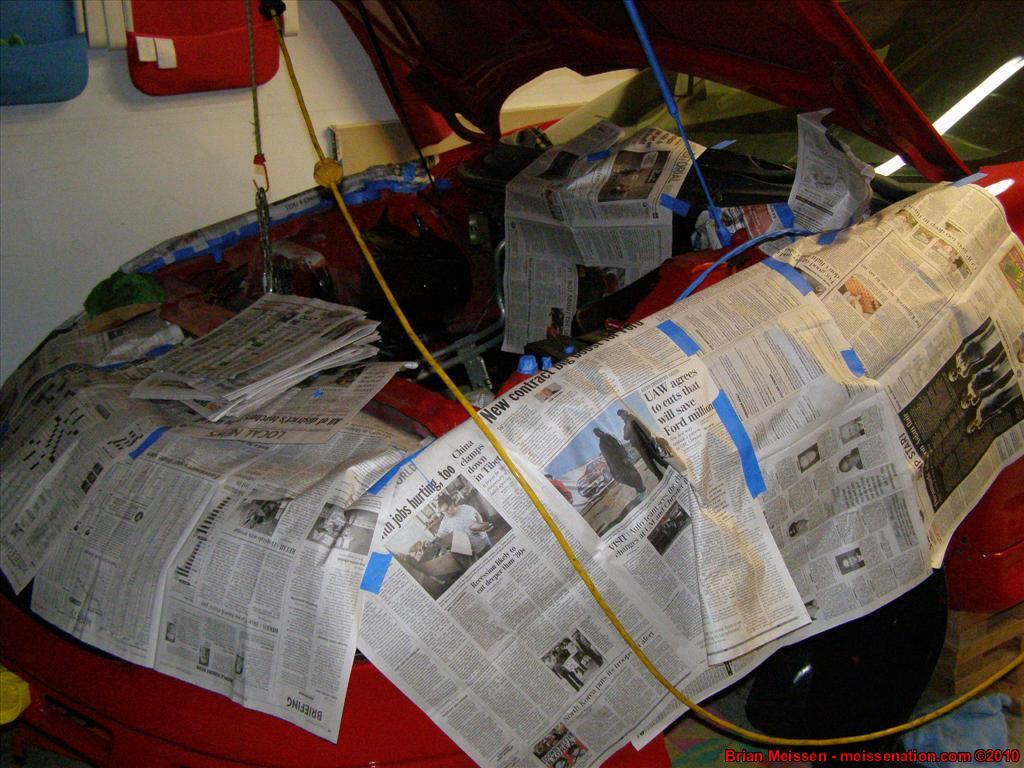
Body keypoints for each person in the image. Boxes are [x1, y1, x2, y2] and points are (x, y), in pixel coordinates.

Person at [617, 409, 667, 480]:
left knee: (656, 458)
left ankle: (667, 469)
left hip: (645, 443)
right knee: (650, 463)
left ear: (625, 412)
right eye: (620, 416)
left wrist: (649, 437)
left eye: (622, 414)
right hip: (639, 446)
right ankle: (660, 476)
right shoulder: (626, 426)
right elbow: (625, 437)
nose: (621, 417)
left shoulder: (633, 419)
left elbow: (644, 427)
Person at [593, 427, 644, 497]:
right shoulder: (600, 444)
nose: (597, 434)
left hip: (622, 460)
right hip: (615, 464)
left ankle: (641, 489)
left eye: (597, 431)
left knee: (632, 474)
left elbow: (619, 445)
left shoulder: (608, 436)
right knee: (621, 478)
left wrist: (624, 456)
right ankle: (639, 488)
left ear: (600, 431)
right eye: (595, 433)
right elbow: (606, 457)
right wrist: (610, 467)